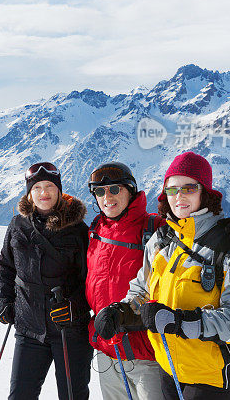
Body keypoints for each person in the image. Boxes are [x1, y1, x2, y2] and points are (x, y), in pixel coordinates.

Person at [122, 152, 230, 400]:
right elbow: (142, 290)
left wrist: (182, 322)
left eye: (189, 187)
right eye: (172, 189)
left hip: (214, 377)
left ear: (205, 192)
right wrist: (123, 310)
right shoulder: (161, 241)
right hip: (170, 369)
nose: (179, 196)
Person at [0, 161, 92, 400]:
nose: (44, 193)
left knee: (72, 396)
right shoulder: (18, 225)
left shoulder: (78, 230)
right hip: (29, 327)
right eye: (37, 187)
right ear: (29, 194)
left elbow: (90, 278)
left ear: (59, 190)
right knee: (20, 395)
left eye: (49, 186)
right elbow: (7, 267)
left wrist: (73, 306)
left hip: (69, 330)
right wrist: (6, 302)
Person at [85, 162, 165, 400]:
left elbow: (197, 237)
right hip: (107, 349)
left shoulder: (154, 228)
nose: (107, 197)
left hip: (145, 353)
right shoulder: (95, 231)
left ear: (130, 190)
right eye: (100, 192)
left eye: (114, 189)